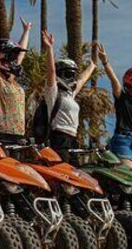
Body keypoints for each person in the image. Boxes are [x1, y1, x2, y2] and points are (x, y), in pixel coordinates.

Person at [0, 7, 32, 144]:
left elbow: (20, 56)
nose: (12, 61)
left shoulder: (11, 80)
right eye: (9, 56)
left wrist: (26, 31)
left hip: (18, 137)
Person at [40, 30, 96, 158]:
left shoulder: (70, 94)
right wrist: (49, 48)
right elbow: (51, 72)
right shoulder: (52, 92)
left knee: (76, 174)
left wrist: (93, 65)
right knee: (63, 174)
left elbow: (82, 80)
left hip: (73, 139)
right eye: (67, 74)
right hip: (59, 139)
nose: (71, 78)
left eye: (72, 74)